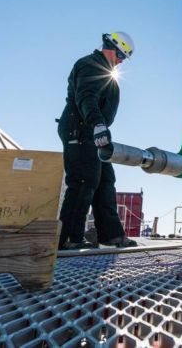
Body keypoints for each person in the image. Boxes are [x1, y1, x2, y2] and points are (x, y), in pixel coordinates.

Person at [57, 32, 138, 250]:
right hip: (80, 129)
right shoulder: (91, 65)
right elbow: (86, 96)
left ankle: (111, 235)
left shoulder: (105, 71)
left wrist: (99, 127)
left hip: (92, 131)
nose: (121, 62)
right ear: (115, 49)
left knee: (105, 181)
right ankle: (67, 238)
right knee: (83, 181)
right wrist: (98, 125)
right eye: (121, 56)